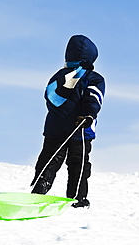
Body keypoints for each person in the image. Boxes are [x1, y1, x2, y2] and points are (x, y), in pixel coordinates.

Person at [31, 35, 105, 208]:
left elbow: (50, 98)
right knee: (78, 164)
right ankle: (77, 198)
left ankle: (38, 192)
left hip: (55, 127)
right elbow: (93, 97)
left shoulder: (58, 76)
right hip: (81, 129)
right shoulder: (93, 78)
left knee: (49, 160)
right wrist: (89, 114)